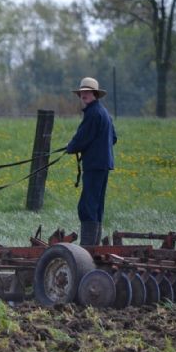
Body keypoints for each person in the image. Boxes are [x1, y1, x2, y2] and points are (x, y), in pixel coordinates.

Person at [66, 77, 117, 246]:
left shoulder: (93, 114)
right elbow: (113, 138)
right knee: (96, 206)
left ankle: (88, 249)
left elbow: (81, 139)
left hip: (94, 165)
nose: (84, 95)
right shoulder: (104, 113)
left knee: (87, 206)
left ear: (95, 94)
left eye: (87, 92)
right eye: (82, 92)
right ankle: (93, 246)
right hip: (103, 164)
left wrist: (71, 147)